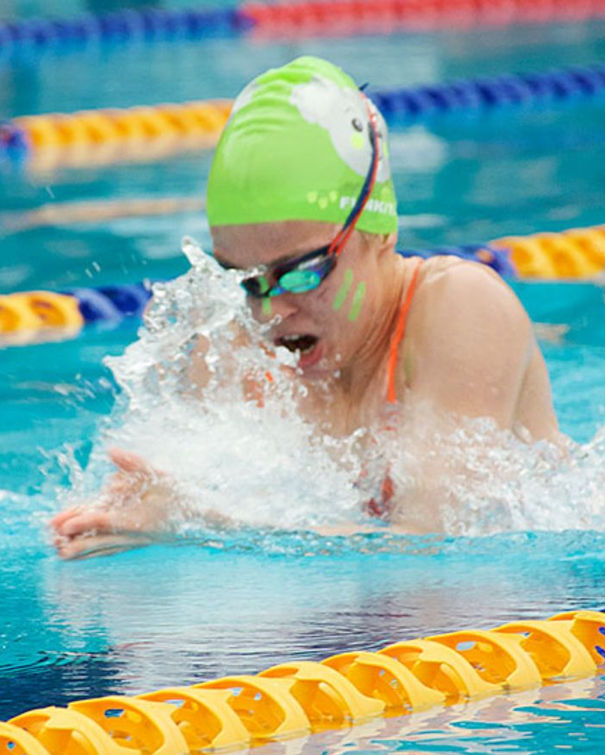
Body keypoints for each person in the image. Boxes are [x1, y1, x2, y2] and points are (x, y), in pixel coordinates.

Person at [51, 56, 560, 559]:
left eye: (302, 272)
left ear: (380, 230)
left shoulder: (461, 310)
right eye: (246, 282)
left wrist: (199, 520)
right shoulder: (231, 349)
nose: (270, 312)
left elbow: (434, 550)